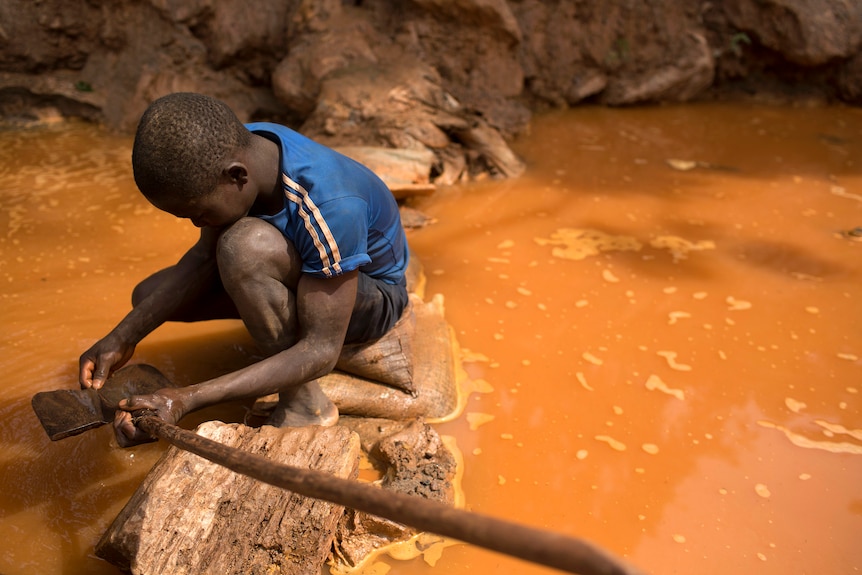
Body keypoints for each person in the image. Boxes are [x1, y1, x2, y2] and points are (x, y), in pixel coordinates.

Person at [79, 92, 410, 447]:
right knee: (146, 297)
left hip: (372, 297)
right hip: (300, 268)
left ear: (236, 177)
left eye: (199, 214)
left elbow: (320, 351)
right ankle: (268, 317)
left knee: (242, 247)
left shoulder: (331, 204)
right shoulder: (237, 149)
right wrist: (123, 337)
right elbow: (204, 257)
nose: (195, 224)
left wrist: (186, 398)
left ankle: (304, 403)